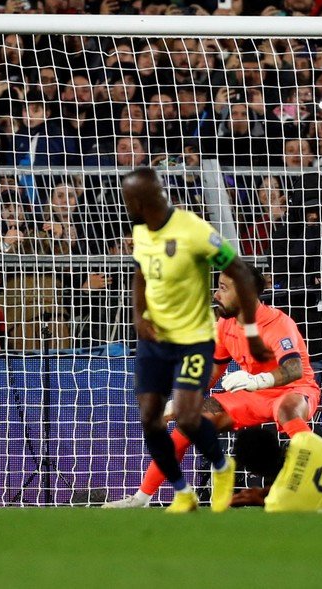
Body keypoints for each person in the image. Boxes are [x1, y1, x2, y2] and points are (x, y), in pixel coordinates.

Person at [106, 263, 319, 508]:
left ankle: (318, 482)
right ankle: (141, 498)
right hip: (252, 394)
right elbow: (212, 371)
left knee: (287, 411)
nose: (216, 295)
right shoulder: (226, 324)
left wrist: (257, 380)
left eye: (223, 288)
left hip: (293, 390)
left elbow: (294, 369)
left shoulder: (277, 324)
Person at [122, 166, 270, 513]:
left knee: (188, 416)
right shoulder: (142, 229)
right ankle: (183, 492)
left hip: (195, 338)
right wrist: (139, 315)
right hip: (155, 338)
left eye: (129, 200)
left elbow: (239, 274)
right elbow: (141, 272)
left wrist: (250, 331)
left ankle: (222, 467)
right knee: (150, 418)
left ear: (144, 200)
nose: (125, 206)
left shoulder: (194, 231)